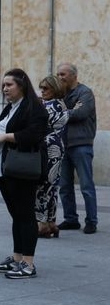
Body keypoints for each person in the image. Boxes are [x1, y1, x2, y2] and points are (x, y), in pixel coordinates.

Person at [0, 68, 48, 279]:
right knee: (16, 216)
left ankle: (28, 264)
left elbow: (34, 135)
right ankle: (17, 258)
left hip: (22, 170)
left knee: (26, 216)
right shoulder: (10, 108)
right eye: (3, 85)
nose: (4, 89)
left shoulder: (34, 108)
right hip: (5, 169)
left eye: (9, 85)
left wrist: (4, 137)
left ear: (21, 86)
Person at [56, 62, 98, 234]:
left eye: (63, 74)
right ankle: (71, 219)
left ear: (74, 75)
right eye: (58, 74)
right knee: (64, 186)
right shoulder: (60, 94)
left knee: (86, 186)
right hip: (63, 145)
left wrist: (58, 113)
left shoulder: (85, 93)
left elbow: (79, 113)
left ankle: (91, 221)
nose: (60, 78)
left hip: (81, 145)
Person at [34, 75, 69, 238]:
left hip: (46, 148)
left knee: (41, 186)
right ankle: (52, 223)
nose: (42, 91)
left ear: (54, 88)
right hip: (58, 147)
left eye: (45, 88)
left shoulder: (46, 106)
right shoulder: (62, 104)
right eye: (41, 88)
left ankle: (42, 224)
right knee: (52, 187)